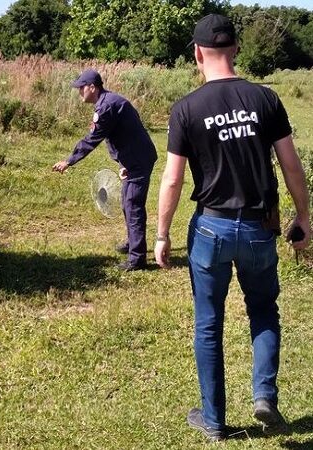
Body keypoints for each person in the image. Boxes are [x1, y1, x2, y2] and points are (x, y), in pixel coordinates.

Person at [154, 14, 311, 441]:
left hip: (211, 230)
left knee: (209, 323)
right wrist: (304, 216)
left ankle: (214, 420)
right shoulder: (265, 99)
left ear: (198, 53)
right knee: (263, 310)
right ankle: (264, 395)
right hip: (260, 229)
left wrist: (163, 233)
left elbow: (172, 178)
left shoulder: (187, 108)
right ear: (236, 49)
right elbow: (290, 164)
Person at [53, 69, 157, 271]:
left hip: (138, 160)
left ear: (93, 87)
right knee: (128, 204)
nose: (79, 92)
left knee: (133, 205)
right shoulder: (109, 101)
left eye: (81, 88)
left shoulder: (107, 106)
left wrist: (69, 161)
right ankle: (133, 244)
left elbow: (92, 139)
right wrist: (123, 163)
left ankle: (137, 259)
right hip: (134, 160)